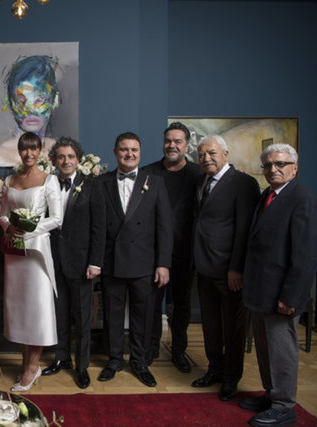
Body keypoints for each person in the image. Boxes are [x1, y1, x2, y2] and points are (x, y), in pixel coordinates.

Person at [240, 144, 317, 426]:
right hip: (260, 291)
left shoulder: (304, 200)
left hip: (282, 295)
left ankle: (284, 407)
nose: (273, 169)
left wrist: (291, 297)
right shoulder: (268, 195)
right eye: (267, 165)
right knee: (266, 350)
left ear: (295, 167)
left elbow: (306, 256)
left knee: (281, 351)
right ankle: (271, 394)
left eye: (280, 164)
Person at [97, 132, 173, 387]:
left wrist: (163, 263)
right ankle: (114, 359)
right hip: (112, 261)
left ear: (140, 153)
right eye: (124, 149)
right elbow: (97, 227)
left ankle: (139, 361)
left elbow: (165, 227)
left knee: (144, 315)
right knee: (112, 315)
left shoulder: (156, 182)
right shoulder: (102, 182)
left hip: (145, 262)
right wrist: (96, 262)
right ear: (115, 152)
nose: (129, 154)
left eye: (134, 150)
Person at [192, 134, 260, 401]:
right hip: (204, 267)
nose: (206, 158)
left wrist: (237, 269)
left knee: (233, 328)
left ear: (225, 154)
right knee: (210, 325)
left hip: (230, 271)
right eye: (201, 154)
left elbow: (245, 230)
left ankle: (231, 378)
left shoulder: (244, 183)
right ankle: (214, 370)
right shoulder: (201, 180)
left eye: (211, 153)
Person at [0, 131, 62, 392]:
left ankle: (32, 367)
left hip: (36, 253)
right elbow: (2, 215)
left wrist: (28, 229)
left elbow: (57, 218)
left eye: (33, 148)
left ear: (40, 150)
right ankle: (27, 363)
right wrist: (10, 227)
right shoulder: (9, 179)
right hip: (15, 253)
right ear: (19, 151)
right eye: (24, 149)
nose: (29, 154)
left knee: (36, 309)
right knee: (20, 309)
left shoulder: (50, 180)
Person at [42, 137, 105, 389]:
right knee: (58, 314)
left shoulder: (92, 186)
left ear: (78, 159)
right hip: (53, 260)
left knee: (82, 317)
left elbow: (99, 228)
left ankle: (82, 366)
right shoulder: (47, 184)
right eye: (61, 156)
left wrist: (95, 262)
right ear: (54, 160)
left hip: (82, 263)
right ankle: (61, 357)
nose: (66, 161)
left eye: (70, 156)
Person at [141, 122, 202, 372]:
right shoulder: (148, 173)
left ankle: (179, 351)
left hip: (186, 252)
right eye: (168, 141)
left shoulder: (199, 174)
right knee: (152, 305)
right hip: (154, 252)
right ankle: (150, 350)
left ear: (187, 145)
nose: (172, 145)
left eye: (177, 141)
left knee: (181, 306)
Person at [0, 55, 60, 165]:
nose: (31, 109)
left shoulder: (62, 154)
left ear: (54, 100)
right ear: (10, 101)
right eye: (22, 100)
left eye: (39, 100)